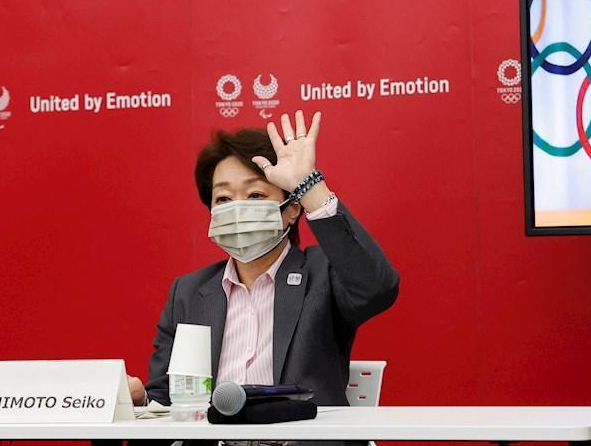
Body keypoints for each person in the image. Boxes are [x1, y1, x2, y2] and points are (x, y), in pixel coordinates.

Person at [127, 109, 398, 411]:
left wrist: (308, 185)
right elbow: (168, 399)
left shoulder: (323, 273)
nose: (238, 209)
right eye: (224, 200)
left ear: (291, 209)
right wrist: (142, 400)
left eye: (255, 195)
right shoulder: (189, 293)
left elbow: (377, 288)